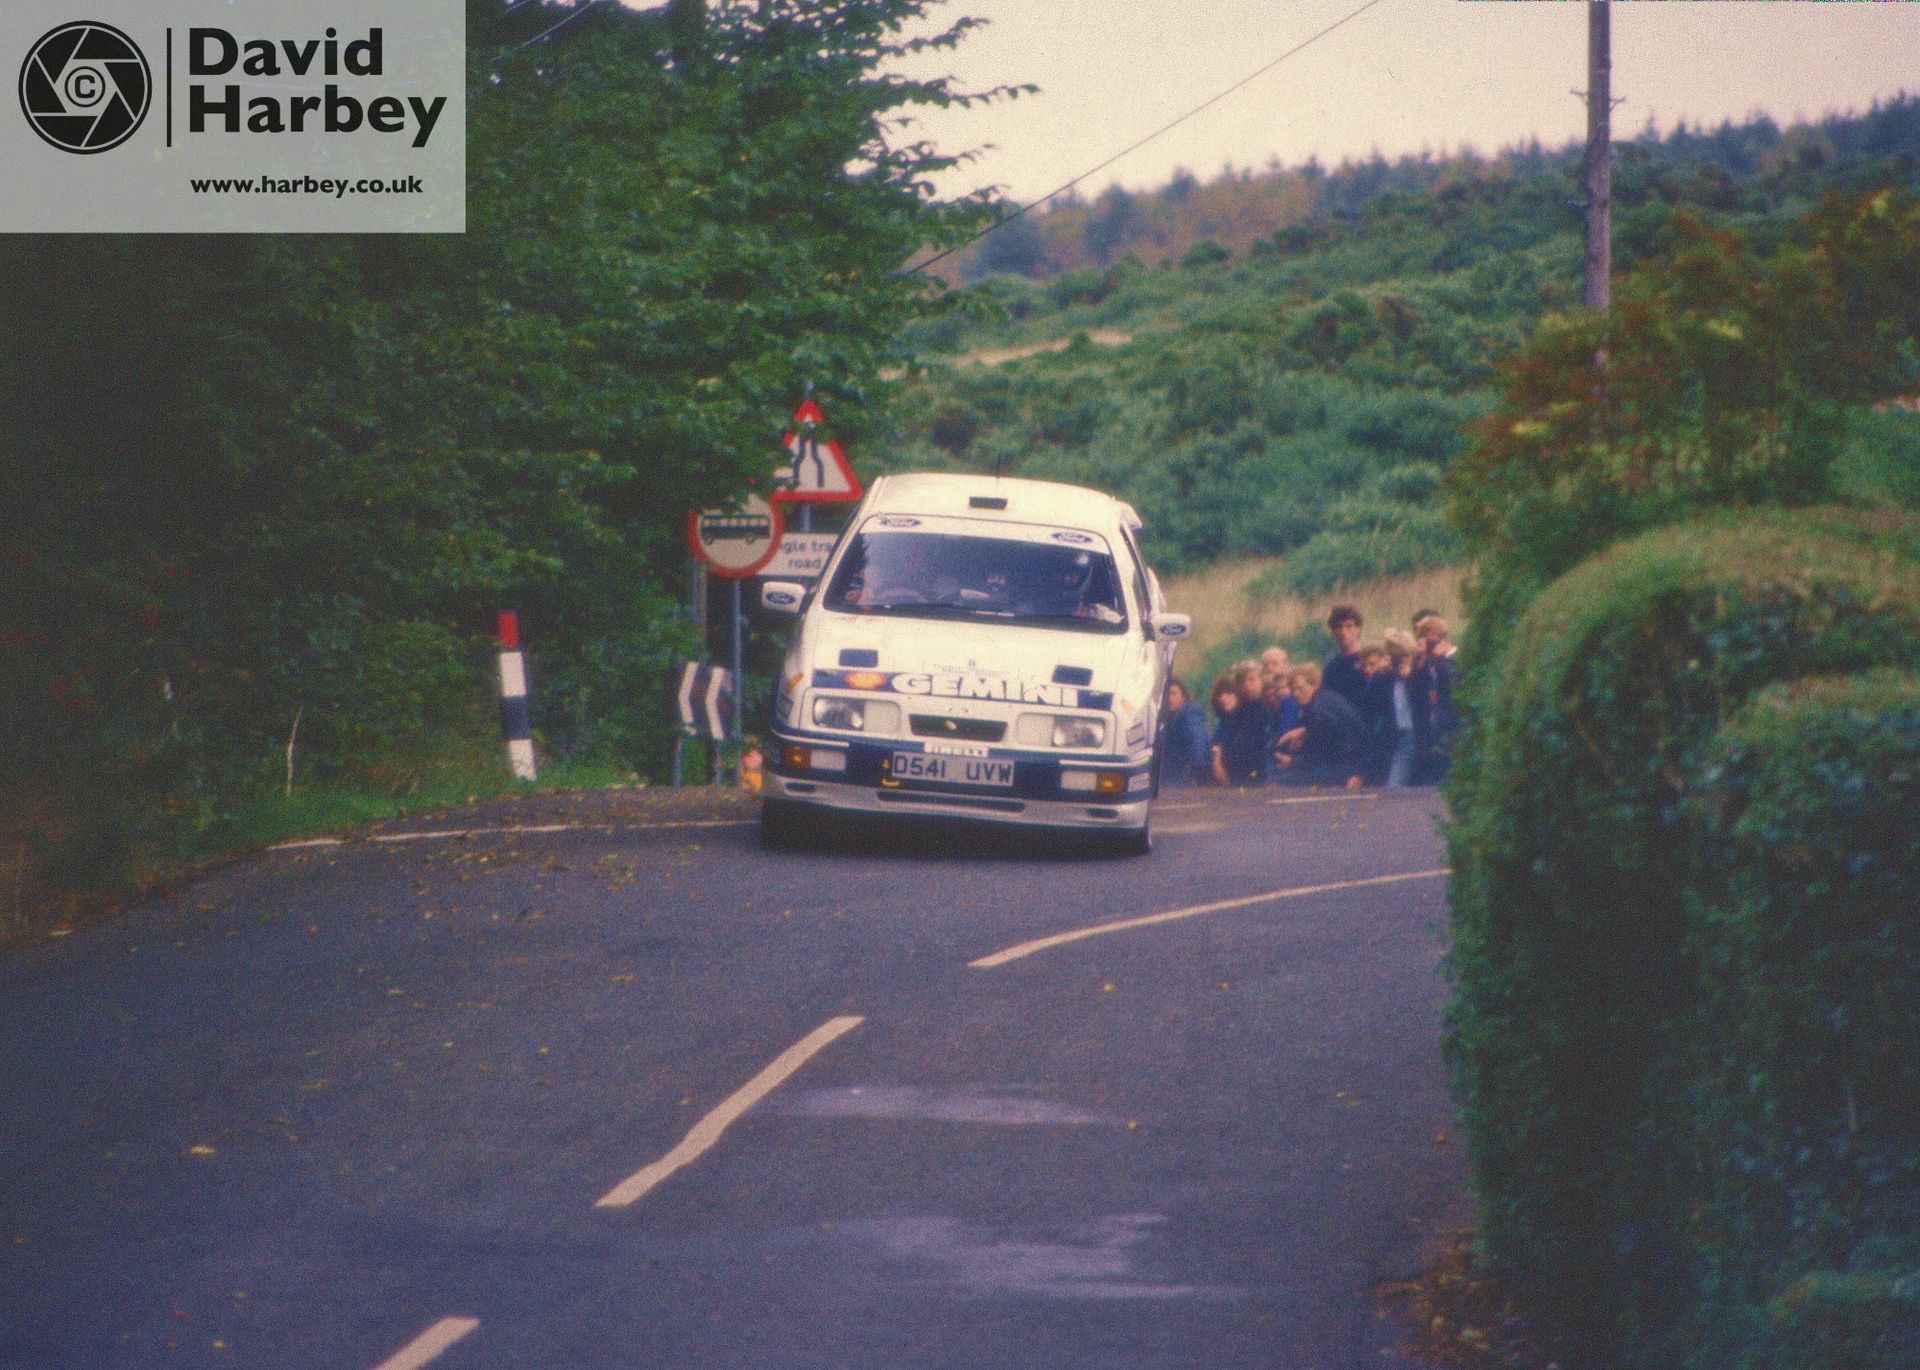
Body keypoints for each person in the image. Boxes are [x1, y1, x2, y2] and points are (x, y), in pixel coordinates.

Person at [1274, 662, 1367, 788]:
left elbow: (1321, 750)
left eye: (1300, 688)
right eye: (1293, 690)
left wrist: (1293, 762)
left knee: (1281, 781)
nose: (1296, 694)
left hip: (1344, 765)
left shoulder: (1318, 710)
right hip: (1351, 761)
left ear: (1315, 684)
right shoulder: (1327, 699)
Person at [1376, 629, 1424, 788]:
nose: (1402, 661)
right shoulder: (1385, 678)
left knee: (1396, 784)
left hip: (1415, 734)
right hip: (1395, 734)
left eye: (1406, 656)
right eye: (1397, 657)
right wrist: (1380, 673)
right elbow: (1371, 703)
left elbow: (1424, 703)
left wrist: (1410, 678)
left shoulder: (1418, 675)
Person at [1213, 664, 1275, 786]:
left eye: (1252, 679)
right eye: (1243, 681)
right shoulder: (1240, 711)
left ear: (1262, 680)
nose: (1247, 684)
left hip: (1261, 773)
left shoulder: (1268, 707)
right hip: (1239, 776)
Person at [1415, 613, 1459, 782]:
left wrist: (1438, 662)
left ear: (1445, 638)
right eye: (1426, 644)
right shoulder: (1427, 664)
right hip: (1433, 735)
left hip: (1453, 733)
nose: (1429, 650)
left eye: (1432, 643)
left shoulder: (1455, 661)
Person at [1161, 678, 1211, 787]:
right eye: (1166, 694)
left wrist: (1199, 771)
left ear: (1183, 697)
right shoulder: (1168, 718)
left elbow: (1198, 739)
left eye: (1174, 693)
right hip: (1171, 780)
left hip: (1181, 783)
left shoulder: (1189, 712)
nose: (1169, 698)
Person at [1321, 605, 1368, 708]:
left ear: (1358, 629)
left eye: (1349, 626)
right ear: (1333, 631)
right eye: (1339, 627)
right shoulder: (1331, 667)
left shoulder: (1368, 661)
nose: (1343, 632)